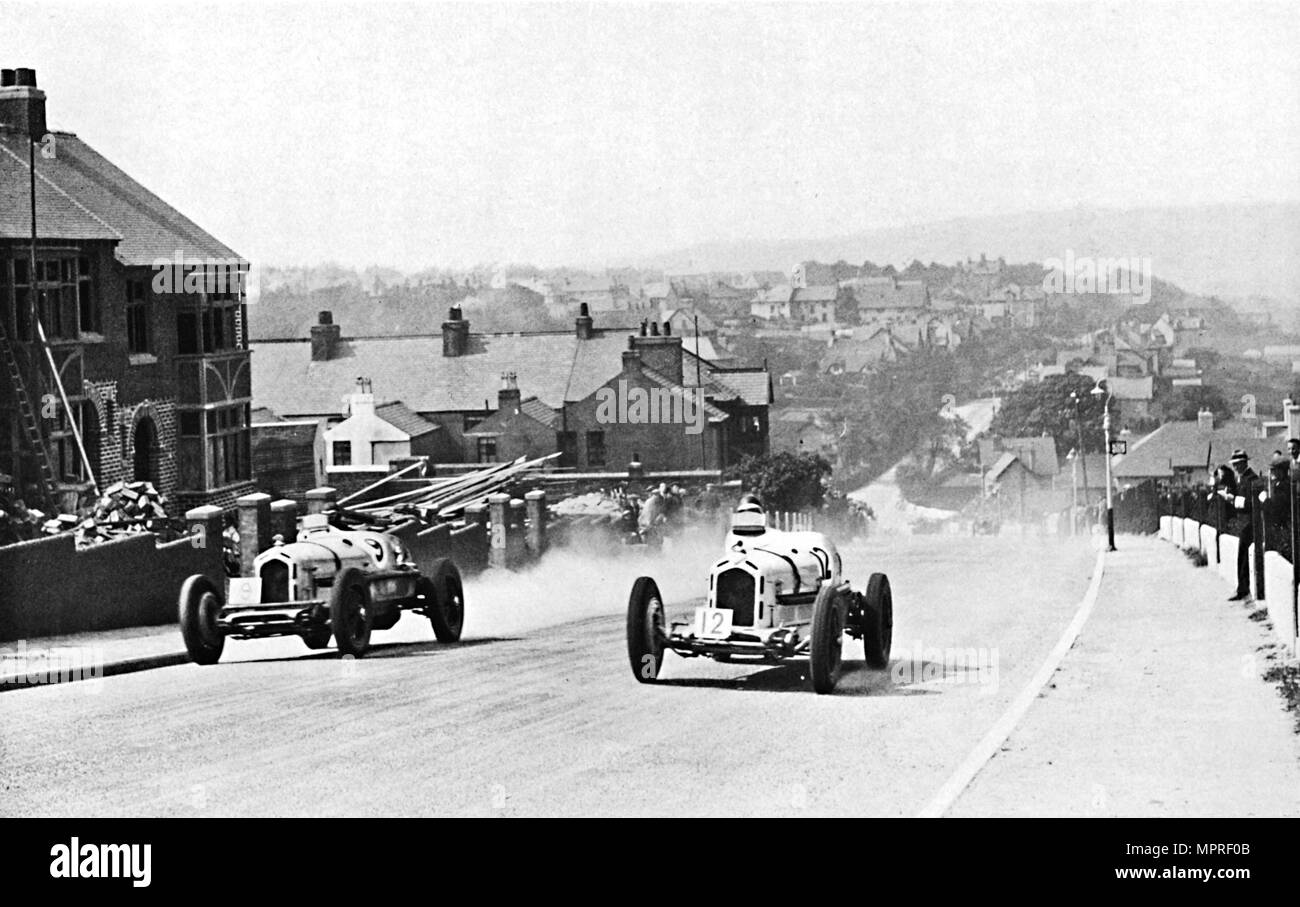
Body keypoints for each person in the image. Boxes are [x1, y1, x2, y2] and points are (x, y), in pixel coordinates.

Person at [1228, 450, 1259, 601]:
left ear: (1244, 464)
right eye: (1234, 465)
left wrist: (1234, 500)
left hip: (1249, 522)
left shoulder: (1252, 479)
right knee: (1242, 556)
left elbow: (1252, 502)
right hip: (1244, 522)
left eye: (1237, 465)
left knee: (1244, 556)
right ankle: (1242, 587)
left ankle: (1243, 590)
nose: (1235, 468)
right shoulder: (1242, 479)